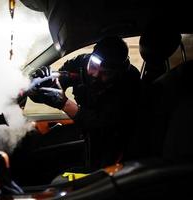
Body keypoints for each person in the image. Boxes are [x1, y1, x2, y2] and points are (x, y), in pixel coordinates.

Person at [29, 36, 141, 170]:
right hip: (88, 132)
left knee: (100, 177)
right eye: (93, 66)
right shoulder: (80, 63)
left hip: (116, 141)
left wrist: (64, 103)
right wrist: (38, 85)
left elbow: (103, 123)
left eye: (106, 73)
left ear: (118, 73)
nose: (95, 74)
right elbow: (47, 92)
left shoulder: (130, 82)